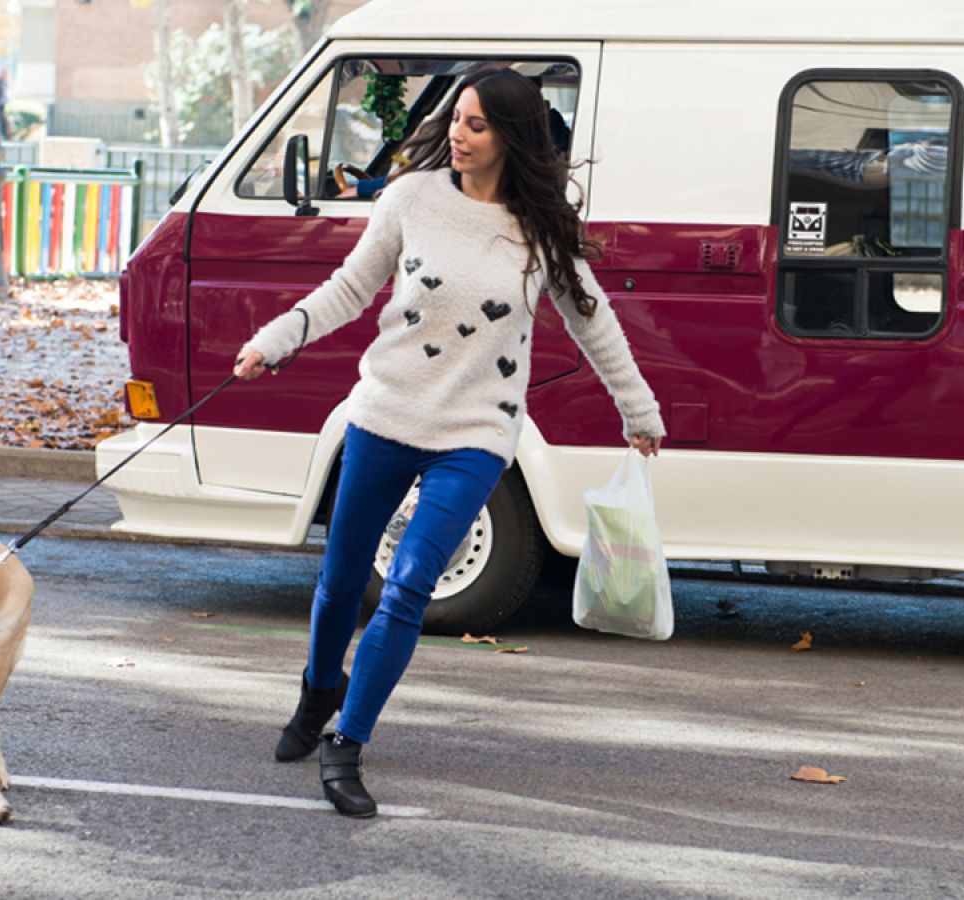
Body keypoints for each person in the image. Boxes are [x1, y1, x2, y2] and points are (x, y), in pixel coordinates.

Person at [232, 68, 665, 818]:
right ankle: (318, 692)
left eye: (476, 125)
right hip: (385, 414)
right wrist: (276, 340)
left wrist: (639, 409)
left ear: (511, 136)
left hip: (477, 431)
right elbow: (346, 287)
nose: (457, 136)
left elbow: (594, 320)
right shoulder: (410, 199)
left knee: (407, 586)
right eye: (455, 120)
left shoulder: (540, 229)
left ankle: (347, 742)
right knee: (339, 583)